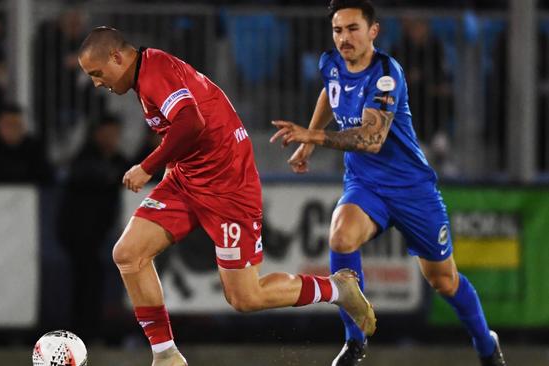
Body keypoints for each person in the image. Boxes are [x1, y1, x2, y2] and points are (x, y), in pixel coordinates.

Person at [77, 26, 376, 366]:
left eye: (97, 74)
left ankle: (338, 288)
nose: (97, 83)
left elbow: (191, 122)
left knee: (245, 297)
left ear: (117, 57)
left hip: (228, 185)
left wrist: (147, 166)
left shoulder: (154, 72)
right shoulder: (148, 73)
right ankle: (166, 355)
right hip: (186, 178)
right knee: (128, 253)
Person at [270, 1, 505, 365]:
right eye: (338, 30)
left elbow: (372, 139)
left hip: (412, 190)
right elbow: (330, 94)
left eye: (353, 29)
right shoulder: (329, 63)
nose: (344, 38)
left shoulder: (386, 74)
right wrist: (308, 139)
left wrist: (314, 137)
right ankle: (355, 341)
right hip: (366, 185)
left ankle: (485, 344)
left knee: (444, 281)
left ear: (373, 31)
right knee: (340, 235)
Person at [57, 114, 130, 342]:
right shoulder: (85, 158)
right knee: (85, 279)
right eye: (108, 133)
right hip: (78, 232)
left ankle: (93, 329)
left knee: (94, 279)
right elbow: (89, 174)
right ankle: (83, 331)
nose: (112, 139)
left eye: (115, 134)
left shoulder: (117, 159)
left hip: (100, 233)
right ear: (97, 134)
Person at [0, 104, 53, 184]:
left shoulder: (35, 148)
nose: (12, 129)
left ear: (23, 127)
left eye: (16, 125)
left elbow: (45, 178)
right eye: (7, 125)